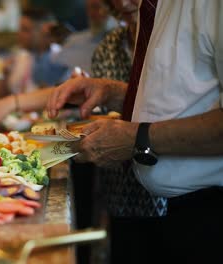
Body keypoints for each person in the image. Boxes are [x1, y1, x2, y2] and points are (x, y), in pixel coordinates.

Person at [46, 0, 223, 262]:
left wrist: (135, 137)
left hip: (209, 212)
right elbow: (181, 96)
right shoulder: (155, 7)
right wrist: (112, 92)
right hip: (173, 212)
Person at [90, 0, 167, 262]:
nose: (123, 2)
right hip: (122, 190)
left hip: (171, 193)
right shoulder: (109, 46)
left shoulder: (170, 37)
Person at [0, 8, 69, 99]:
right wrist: (5, 74)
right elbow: (2, 95)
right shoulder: (25, 56)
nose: (19, 34)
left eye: (25, 30)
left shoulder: (59, 58)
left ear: (44, 31)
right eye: (20, 29)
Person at [52, 0, 117, 75]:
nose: (91, 14)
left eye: (96, 7)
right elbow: (54, 68)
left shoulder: (122, 40)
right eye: (88, 8)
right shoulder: (74, 39)